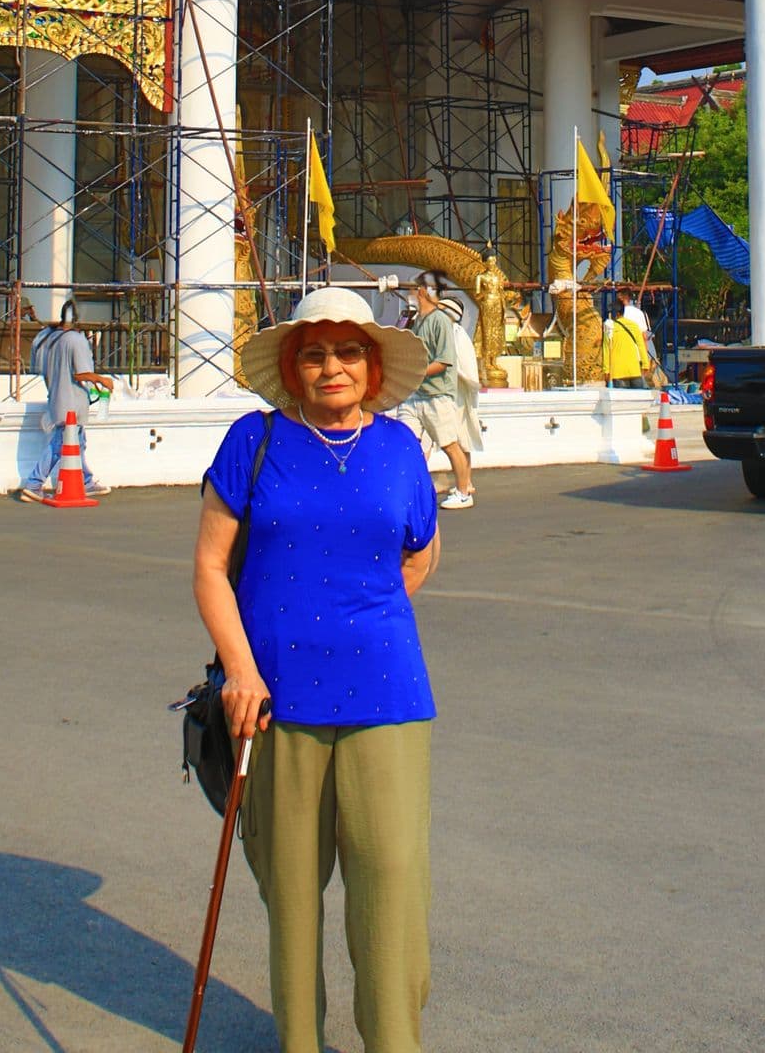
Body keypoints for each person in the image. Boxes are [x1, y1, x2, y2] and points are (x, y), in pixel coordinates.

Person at [193, 285, 440, 1053]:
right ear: (292, 367)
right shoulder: (253, 441)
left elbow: (421, 550)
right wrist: (241, 667)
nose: (331, 367)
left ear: (372, 365)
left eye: (347, 352)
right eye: (314, 353)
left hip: (387, 696)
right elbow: (208, 567)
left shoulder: (400, 446)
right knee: (293, 899)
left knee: (391, 891)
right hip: (273, 700)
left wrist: (360, 616)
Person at [19, 300, 113, 502]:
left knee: (78, 442)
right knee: (62, 443)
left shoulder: (46, 337)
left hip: (55, 397)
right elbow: (81, 374)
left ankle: (85, 481)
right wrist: (101, 380)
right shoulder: (75, 340)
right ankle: (34, 483)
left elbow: (40, 369)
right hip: (72, 402)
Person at [403, 271, 475, 508]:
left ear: (423, 292)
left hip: (437, 395)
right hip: (416, 394)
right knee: (407, 443)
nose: (410, 294)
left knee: (449, 444)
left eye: (413, 290)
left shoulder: (441, 322)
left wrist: (417, 372)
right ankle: (415, 489)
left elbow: (444, 360)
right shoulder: (418, 321)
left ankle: (464, 490)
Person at [439, 293, 484, 465]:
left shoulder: (459, 335)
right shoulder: (444, 334)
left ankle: (464, 485)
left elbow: (465, 370)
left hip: (457, 395)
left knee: (461, 440)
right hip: (442, 394)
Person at [603, 290, 656, 389]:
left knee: (622, 403)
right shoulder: (634, 325)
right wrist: (645, 364)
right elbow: (642, 344)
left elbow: (606, 350)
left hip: (618, 372)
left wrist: (606, 371)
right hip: (634, 369)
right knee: (637, 401)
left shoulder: (609, 327)